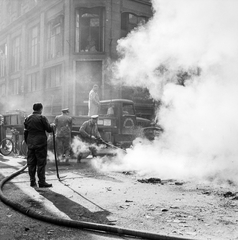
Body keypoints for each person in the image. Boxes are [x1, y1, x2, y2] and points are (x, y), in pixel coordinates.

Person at [24, 103, 54, 188]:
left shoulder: (27, 118)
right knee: (41, 163)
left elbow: (25, 132)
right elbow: (48, 129)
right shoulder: (42, 118)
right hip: (40, 143)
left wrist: (28, 142)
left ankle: (32, 181)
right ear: (41, 109)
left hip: (31, 143)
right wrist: (53, 126)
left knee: (31, 163)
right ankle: (41, 182)